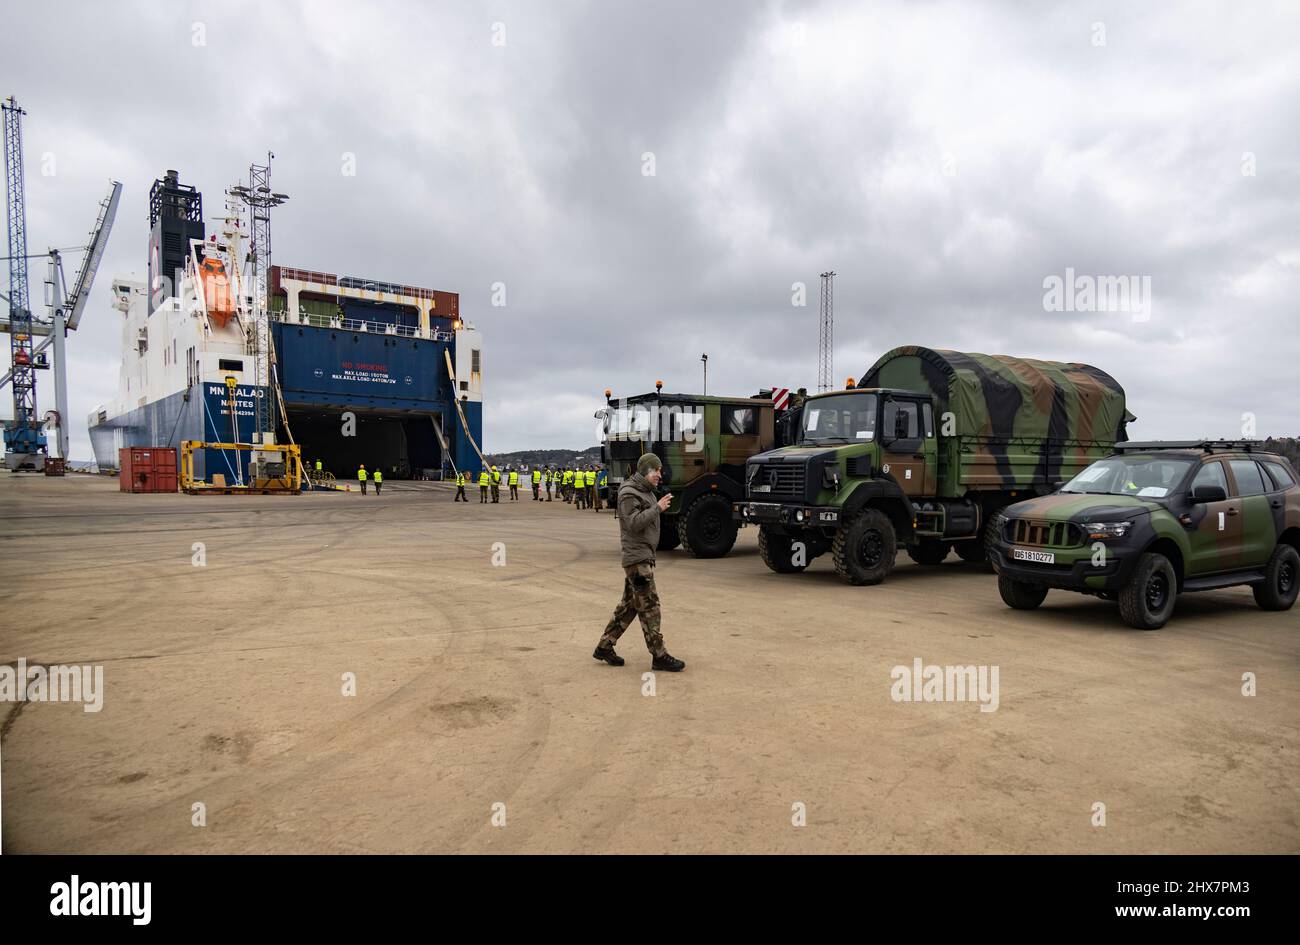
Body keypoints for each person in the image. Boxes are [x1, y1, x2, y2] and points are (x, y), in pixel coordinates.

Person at [593, 453, 685, 672]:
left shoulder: (646, 492)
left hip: (643, 556)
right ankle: (659, 655)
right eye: (657, 471)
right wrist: (658, 508)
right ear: (646, 471)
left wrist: (658, 505)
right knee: (650, 606)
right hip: (636, 560)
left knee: (630, 605)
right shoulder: (628, 493)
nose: (659, 475)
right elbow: (633, 523)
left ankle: (605, 646)